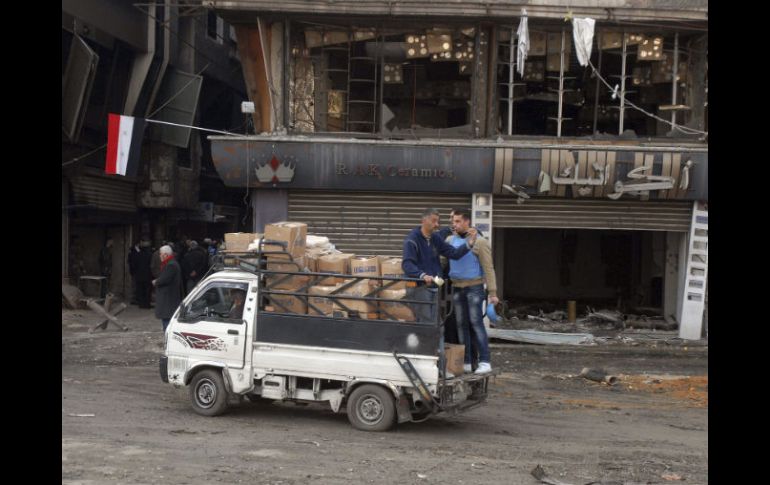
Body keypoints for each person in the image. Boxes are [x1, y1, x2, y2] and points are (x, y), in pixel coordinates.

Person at [402, 208, 477, 378]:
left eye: (438, 221)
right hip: (418, 288)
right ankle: (432, 369)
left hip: (434, 288)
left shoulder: (435, 238)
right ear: (424, 221)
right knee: (430, 327)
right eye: (434, 221)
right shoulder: (412, 240)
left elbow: (452, 253)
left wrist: (469, 244)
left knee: (437, 327)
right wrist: (422, 275)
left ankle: (437, 368)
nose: (438, 225)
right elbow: (407, 265)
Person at [447, 208, 499, 375]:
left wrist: (493, 292)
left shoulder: (480, 242)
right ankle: (467, 362)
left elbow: (488, 267)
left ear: (467, 222)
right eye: (453, 221)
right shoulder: (449, 240)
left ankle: (484, 361)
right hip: (456, 287)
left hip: (474, 288)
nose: (454, 225)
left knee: (476, 324)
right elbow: (442, 260)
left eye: (458, 221)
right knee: (461, 326)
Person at [153, 245, 182, 332]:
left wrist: (156, 282)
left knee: (167, 325)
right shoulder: (170, 263)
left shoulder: (171, 265)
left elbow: (164, 279)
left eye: (160, 254)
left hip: (168, 299)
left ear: (165, 255)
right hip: (168, 298)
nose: (159, 256)